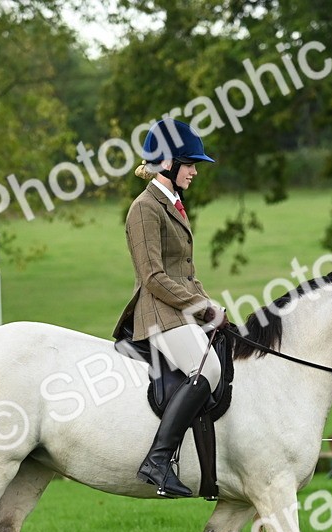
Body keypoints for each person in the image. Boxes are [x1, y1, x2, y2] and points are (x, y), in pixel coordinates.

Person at [113, 119, 225, 498]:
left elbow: (186, 272)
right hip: (158, 314)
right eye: (190, 163)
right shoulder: (144, 208)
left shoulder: (173, 203)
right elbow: (153, 277)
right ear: (167, 164)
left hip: (180, 309)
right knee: (206, 367)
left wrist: (211, 304)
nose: (195, 171)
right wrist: (199, 306)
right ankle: (158, 461)